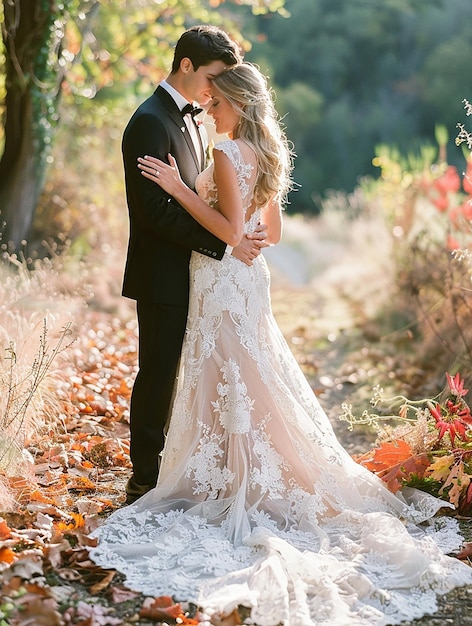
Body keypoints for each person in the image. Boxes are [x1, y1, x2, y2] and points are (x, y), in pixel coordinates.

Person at [91, 63, 472, 625]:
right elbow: (272, 232)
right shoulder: (268, 151)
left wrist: (175, 187)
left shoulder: (225, 153)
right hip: (249, 279)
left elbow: (226, 231)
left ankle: (236, 476)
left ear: (237, 105)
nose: (210, 110)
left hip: (223, 279)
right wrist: (247, 235)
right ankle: (242, 469)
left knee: (230, 375)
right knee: (248, 375)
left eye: (217, 103)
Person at [120, 25, 268, 505]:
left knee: (199, 375)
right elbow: (155, 213)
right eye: (213, 76)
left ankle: (193, 469)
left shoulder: (194, 120)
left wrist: (239, 233)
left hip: (198, 272)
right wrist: (226, 244)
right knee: (158, 373)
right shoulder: (149, 121)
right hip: (163, 273)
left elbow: (219, 197)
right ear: (186, 65)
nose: (216, 89)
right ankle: (144, 478)